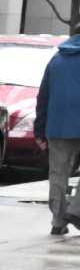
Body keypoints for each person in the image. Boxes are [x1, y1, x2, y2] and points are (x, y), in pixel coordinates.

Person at [35, 31, 80, 236]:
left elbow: (43, 96)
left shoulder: (57, 60)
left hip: (58, 125)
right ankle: (76, 211)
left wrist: (39, 129)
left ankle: (58, 219)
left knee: (58, 173)